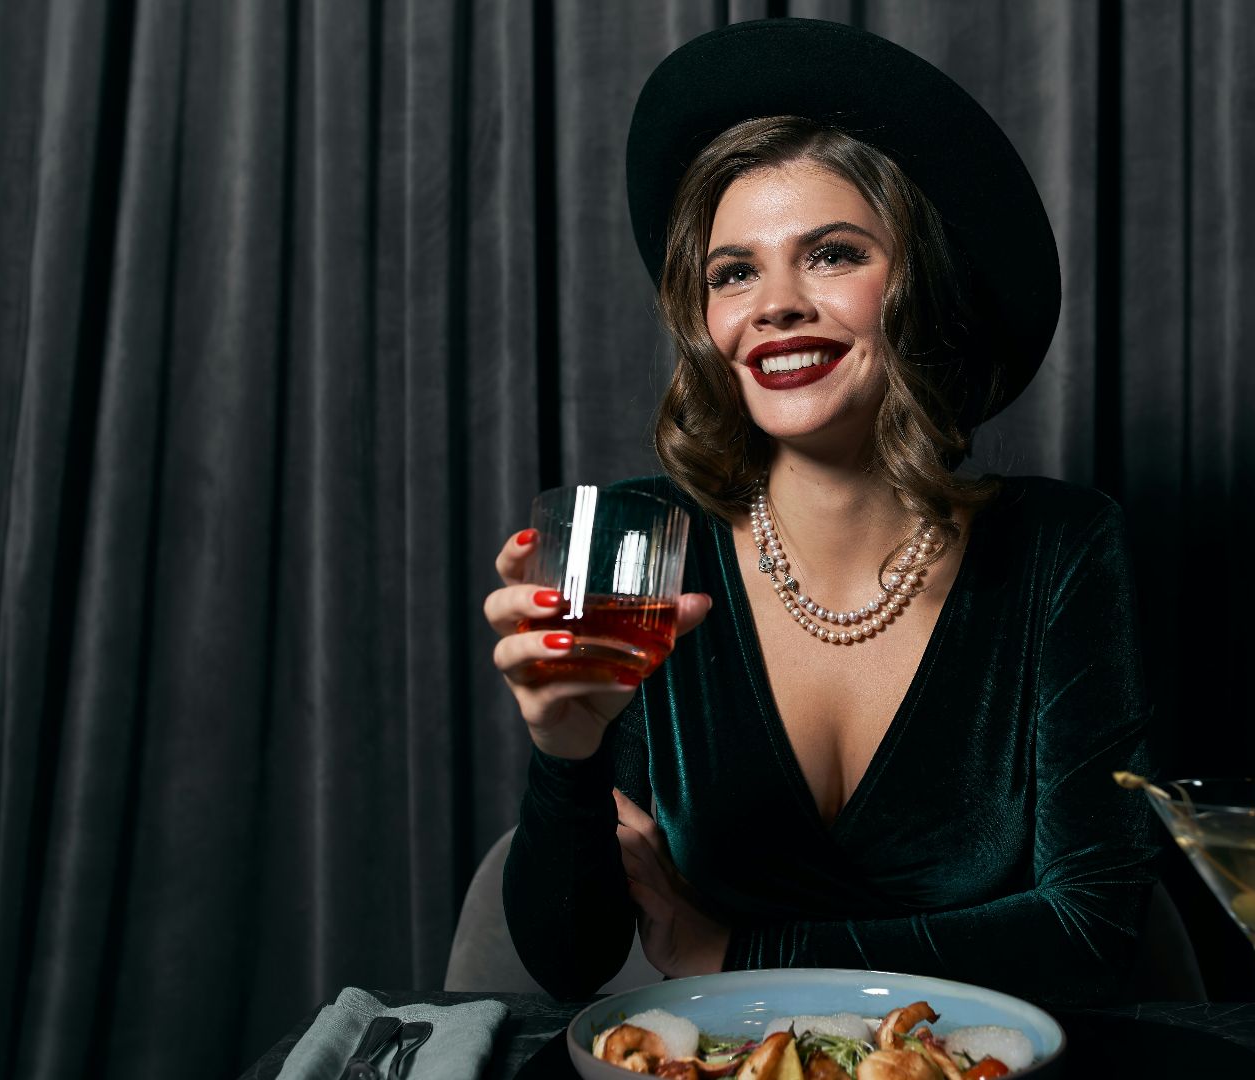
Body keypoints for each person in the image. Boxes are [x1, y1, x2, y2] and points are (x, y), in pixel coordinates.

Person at [485, 19, 1158, 1009]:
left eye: (833, 255)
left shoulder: (1060, 547)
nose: (775, 305)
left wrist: (737, 951)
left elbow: (1093, 932)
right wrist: (565, 756)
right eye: (734, 271)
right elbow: (570, 959)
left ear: (919, 287)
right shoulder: (635, 540)